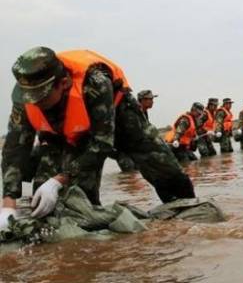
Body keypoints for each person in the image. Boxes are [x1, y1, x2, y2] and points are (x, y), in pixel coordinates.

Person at [1, 47, 195, 231]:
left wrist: (58, 180)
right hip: (65, 134)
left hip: (120, 119)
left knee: (166, 172)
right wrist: (8, 203)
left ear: (64, 83)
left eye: (41, 97)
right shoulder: (25, 97)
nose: (35, 103)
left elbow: (102, 143)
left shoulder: (95, 82)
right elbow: (15, 148)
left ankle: (187, 225)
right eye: (30, 98)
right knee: (63, 204)